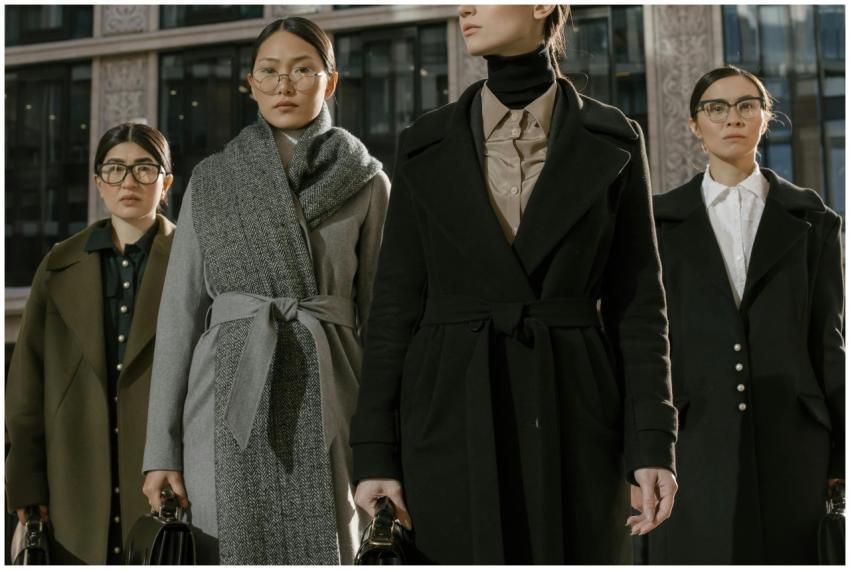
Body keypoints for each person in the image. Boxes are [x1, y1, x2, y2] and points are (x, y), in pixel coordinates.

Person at [350, 4, 678, 564]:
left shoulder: (614, 138)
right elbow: (394, 307)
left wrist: (653, 444)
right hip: (449, 409)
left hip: (576, 411)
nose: (465, 8)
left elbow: (639, 307)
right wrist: (376, 451)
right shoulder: (423, 142)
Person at [141, 17, 389, 565]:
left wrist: (387, 450)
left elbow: (382, 320)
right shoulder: (210, 179)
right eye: (269, 71)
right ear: (250, 83)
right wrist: (160, 449)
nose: (285, 85)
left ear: (331, 82)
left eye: (303, 70)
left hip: (333, 387)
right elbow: (179, 318)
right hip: (225, 397)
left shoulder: (368, 180)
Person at [649, 65, 845, 564]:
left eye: (745, 106)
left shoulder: (813, 219)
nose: (731, 118)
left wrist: (841, 453)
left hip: (794, 440)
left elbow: (829, 340)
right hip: (690, 440)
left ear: (764, 117)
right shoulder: (658, 221)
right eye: (715, 108)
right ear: (695, 125)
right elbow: (642, 341)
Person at [5, 123, 176, 564]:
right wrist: (25, 484)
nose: (129, 182)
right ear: (98, 182)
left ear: (166, 182)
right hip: (71, 472)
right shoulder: (58, 263)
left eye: (144, 168)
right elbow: (26, 387)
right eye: (115, 169)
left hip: (168, 476)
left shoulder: (195, 261)